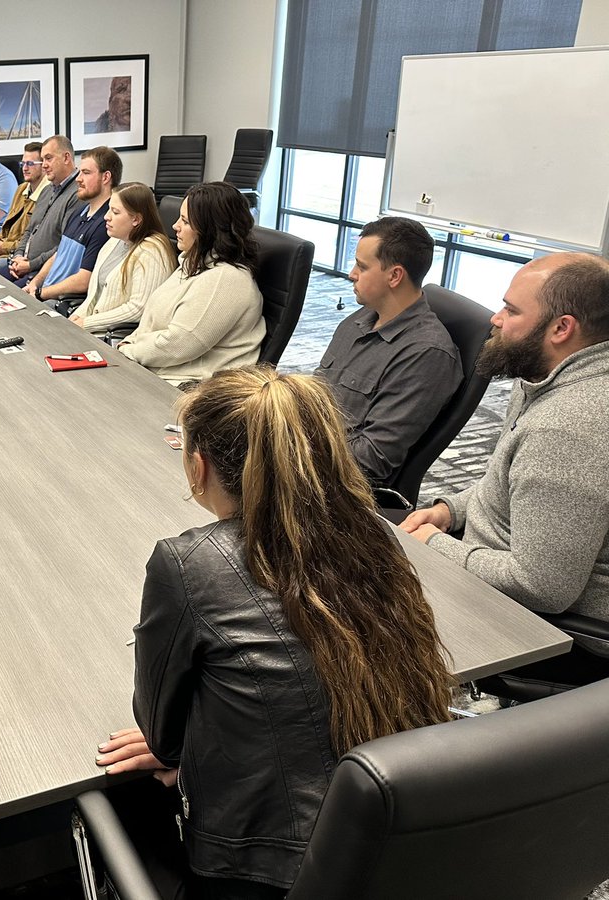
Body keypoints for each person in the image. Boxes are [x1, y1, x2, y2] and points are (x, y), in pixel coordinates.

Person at [97, 366, 453, 899]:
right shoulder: (374, 535)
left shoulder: (188, 564)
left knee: (118, 799)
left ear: (197, 467)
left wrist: (189, 757)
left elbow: (163, 740)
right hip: (405, 832)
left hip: (268, 867)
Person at [402, 252, 609, 676]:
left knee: (339, 617)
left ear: (561, 328)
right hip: (488, 566)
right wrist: (449, 511)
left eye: (511, 310)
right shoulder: (546, 376)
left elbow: (542, 588)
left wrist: (435, 545)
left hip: (543, 631)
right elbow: (510, 479)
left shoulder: (568, 427)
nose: (495, 319)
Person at [314, 217, 462, 485]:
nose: (351, 274)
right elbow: (315, 393)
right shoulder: (359, 320)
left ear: (394, 275)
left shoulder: (426, 354)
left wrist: (292, 449)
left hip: (334, 486)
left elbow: (371, 460)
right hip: (306, 452)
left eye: (361, 266)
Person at [118, 182, 264, 385]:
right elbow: (152, 323)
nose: (175, 226)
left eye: (185, 221)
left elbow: (176, 344)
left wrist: (128, 349)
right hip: (157, 373)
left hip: (190, 390)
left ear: (210, 230)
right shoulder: (193, 262)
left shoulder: (227, 280)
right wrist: (128, 344)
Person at [69, 181, 177, 334]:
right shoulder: (115, 240)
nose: (107, 217)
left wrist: (87, 323)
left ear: (136, 219)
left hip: (113, 338)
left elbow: (138, 309)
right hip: (92, 330)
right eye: (108, 210)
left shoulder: (151, 252)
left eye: (115, 212)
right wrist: (76, 317)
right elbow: (94, 296)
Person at [23, 145, 120, 313]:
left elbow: (84, 280)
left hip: (62, 302)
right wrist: (35, 283)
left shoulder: (107, 223)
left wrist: (41, 293)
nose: (78, 179)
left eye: (86, 173)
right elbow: (58, 254)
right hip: (45, 292)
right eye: (80, 172)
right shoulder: (80, 212)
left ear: (106, 177)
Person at [0, 134, 82, 283]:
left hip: (42, 270)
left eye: (48, 158)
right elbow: (29, 230)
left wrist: (29, 265)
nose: (44, 164)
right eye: (43, 159)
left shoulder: (77, 195)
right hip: (22, 262)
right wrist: (18, 256)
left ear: (66, 158)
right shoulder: (47, 190)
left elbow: (64, 247)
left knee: (4, 292)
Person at [0, 141, 46, 264]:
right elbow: (7, 224)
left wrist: (4, 247)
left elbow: (34, 242)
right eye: (23, 163)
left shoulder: (47, 195)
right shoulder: (21, 189)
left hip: (20, 255)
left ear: (44, 165)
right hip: (4, 247)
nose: (25, 168)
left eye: (30, 164)